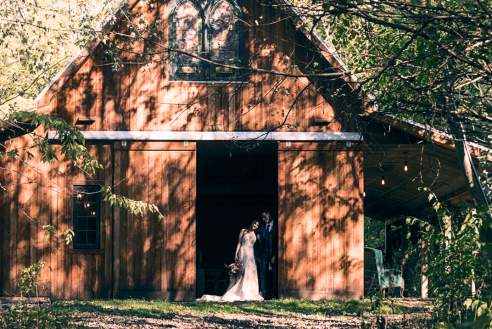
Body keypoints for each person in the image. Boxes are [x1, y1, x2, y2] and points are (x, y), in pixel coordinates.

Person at [198, 219, 264, 302]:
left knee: (250, 273)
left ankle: (249, 292)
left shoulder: (256, 234)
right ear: (252, 223)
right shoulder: (243, 231)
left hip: (251, 255)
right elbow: (239, 243)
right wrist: (236, 253)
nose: (255, 226)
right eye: (255, 223)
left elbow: (259, 246)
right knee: (242, 273)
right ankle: (240, 292)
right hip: (243, 252)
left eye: (257, 225)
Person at [257, 211, 276, 299]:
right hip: (263, 255)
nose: (264, 218)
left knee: (274, 275)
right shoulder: (261, 228)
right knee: (263, 274)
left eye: (266, 216)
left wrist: (274, 255)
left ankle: (274, 295)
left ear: (269, 215)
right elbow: (258, 244)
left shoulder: (277, 226)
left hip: (273, 255)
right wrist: (258, 256)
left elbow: (278, 242)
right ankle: (263, 294)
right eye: (263, 217)